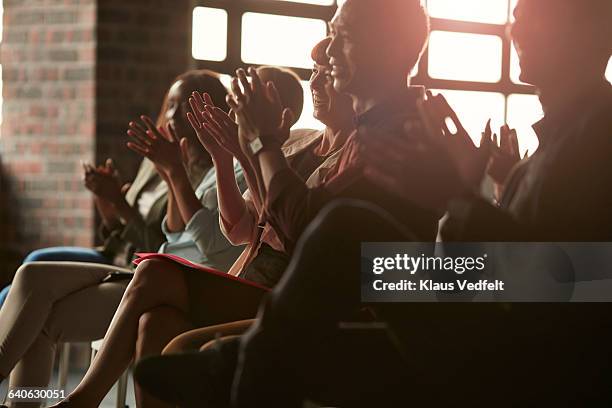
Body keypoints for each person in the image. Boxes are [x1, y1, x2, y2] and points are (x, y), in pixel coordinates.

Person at [48, 66, 309, 408]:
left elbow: (222, 240)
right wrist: (221, 156)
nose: (235, 111)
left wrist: (194, 167)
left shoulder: (286, 158)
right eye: (235, 101)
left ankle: (82, 399)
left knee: (152, 271)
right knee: (155, 321)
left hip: (250, 286)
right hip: (201, 270)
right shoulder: (236, 159)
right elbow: (237, 230)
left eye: (245, 101)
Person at [0, 70, 236, 408]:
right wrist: (109, 201)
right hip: (136, 263)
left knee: (37, 297)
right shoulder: (162, 163)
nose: (170, 115)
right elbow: (169, 235)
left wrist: (166, 178)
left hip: (154, 272)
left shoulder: (217, 169)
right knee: (31, 275)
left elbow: (170, 242)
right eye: (168, 104)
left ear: (208, 110)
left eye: (181, 107)